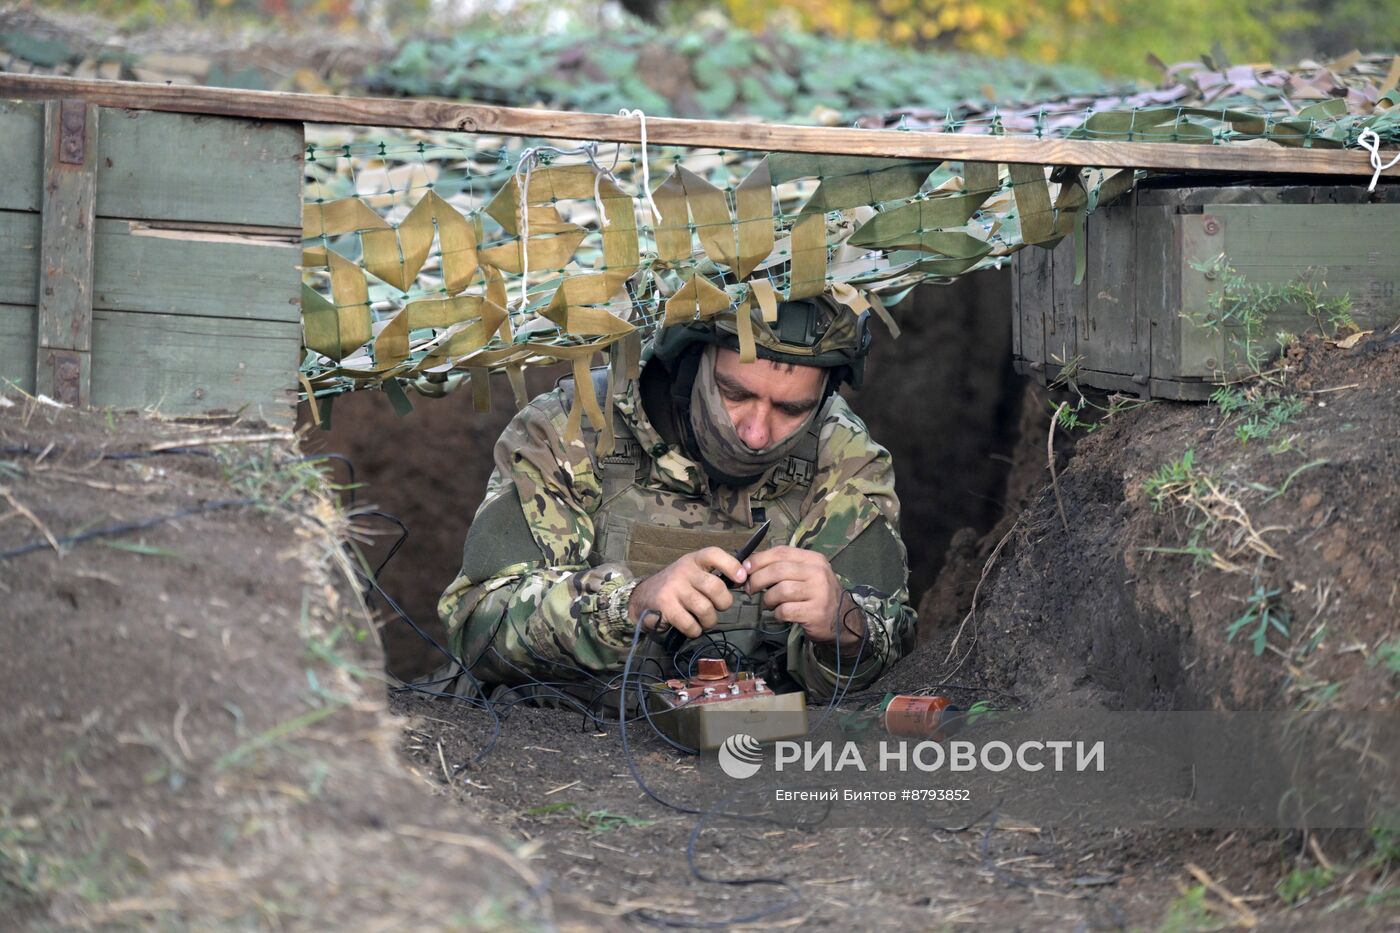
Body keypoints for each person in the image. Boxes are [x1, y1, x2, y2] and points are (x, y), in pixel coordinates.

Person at [438, 292, 917, 701]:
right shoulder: (571, 428)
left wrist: (845, 626)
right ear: (690, 366)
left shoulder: (842, 454)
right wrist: (626, 607)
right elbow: (477, 629)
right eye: (734, 394)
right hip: (552, 739)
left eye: (792, 409)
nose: (755, 433)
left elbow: (895, 646)